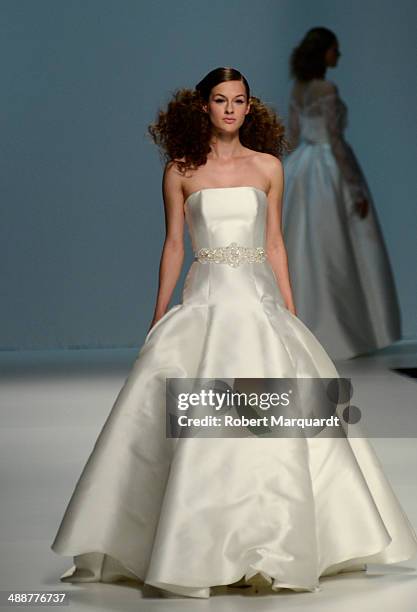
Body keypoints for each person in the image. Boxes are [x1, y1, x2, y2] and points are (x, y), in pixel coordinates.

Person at [51, 67, 417, 599]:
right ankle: (192, 543)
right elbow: (175, 245)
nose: (229, 109)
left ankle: (278, 541)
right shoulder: (180, 170)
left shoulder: (269, 167)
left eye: (239, 100)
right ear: (203, 107)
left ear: (250, 108)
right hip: (206, 302)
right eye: (220, 100)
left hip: (258, 303)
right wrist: (158, 316)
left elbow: (274, 244)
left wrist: (290, 311)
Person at [283, 27, 402, 360]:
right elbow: (335, 141)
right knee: (336, 249)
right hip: (327, 170)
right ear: (323, 52)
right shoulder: (326, 88)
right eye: (336, 49)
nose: (339, 55)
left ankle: (309, 328)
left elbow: (292, 136)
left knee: (305, 249)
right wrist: (354, 187)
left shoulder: (299, 88)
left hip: (302, 168)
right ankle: (342, 333)